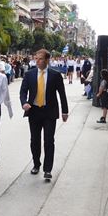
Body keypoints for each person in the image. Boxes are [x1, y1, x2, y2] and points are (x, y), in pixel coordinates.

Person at [19, 49, 69, 181]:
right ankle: (36, 164)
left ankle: (48, 169)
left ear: (47, 60)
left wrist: (64, 111)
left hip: (49, 112)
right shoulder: (29, 74)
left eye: (40, 59)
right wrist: (24, 103)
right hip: (34, 111)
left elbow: (62, 94)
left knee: (49, 140)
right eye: (36, 58)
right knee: (35, 140)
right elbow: (23, 92)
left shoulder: (55, 75)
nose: (37, 61)